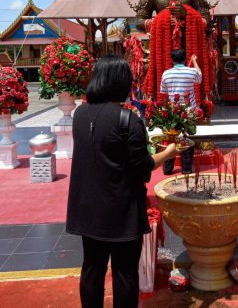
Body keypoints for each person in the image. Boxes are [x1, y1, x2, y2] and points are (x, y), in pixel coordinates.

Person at [66, 56, 177, 308]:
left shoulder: (80, 114)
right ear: (121, 82)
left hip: (87, 207)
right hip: (121, 209)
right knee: (125, 272)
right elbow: (144, 165)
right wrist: (169, 152)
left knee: (92, 268)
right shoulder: (128, 120)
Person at [159, 49, 201, 175]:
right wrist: (194, 61)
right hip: (188, 111)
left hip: (173, 111)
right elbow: (199, 78)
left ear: (172, 60)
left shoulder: (166, 74)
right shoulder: (192, 71)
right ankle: (186, 169)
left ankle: (167, 169)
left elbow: (163, 92)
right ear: (184, 59)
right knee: (186, 138)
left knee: (171, 138)